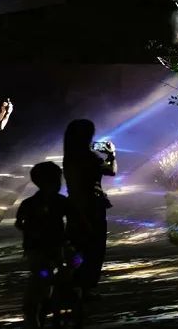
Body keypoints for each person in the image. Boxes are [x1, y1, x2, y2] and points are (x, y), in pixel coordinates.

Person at [15, 161, 81, 328]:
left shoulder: (29, 203)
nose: (59, 184)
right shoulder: (60, 201)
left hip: (42, 251)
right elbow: (76, 220)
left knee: (43, 280)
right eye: (57, 180)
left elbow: (19, 223)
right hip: (46, 251)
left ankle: (38, 312)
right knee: (47, 278)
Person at [62, 119, 117, 300]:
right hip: (93, 206)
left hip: (74, 205)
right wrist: (112, 154)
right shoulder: (90, 158)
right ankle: (85, 288)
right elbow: (111, 171)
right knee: (94, 248)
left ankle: (73, 285)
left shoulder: (69, 157)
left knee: (78, 247)